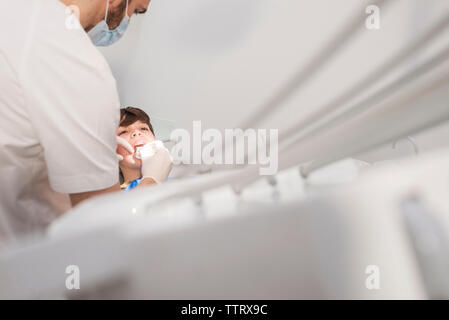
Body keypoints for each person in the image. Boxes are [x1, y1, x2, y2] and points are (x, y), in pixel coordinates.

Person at [0, 0, 165, 245]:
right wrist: (153, 181)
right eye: (136, 11)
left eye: (143, 129)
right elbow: (104, 234)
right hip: (30, 264)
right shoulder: (74, 58)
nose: (129, 20)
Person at [116, 107, 172, 192]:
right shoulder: (114, 198)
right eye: (123, 132)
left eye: (143, 129)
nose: (137, 133)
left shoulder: (182, 182)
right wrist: (151, 181)